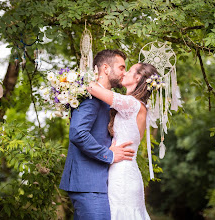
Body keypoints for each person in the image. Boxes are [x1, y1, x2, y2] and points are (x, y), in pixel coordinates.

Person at [59, 49, 135, 220]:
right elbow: (78, 133)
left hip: (96, 182)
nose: (124, 72)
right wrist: (109, 154)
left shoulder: (103, 98)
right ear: (106, 68)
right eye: (122, 67)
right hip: (87, 182)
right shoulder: (90, 97)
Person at [87, 62, 159, 219]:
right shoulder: (138, 106)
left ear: (138, 78)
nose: (125, 73)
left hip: (122, 175)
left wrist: (72, 80)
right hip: (126, 170)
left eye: (130, 70)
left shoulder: (132, 104)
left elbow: (91, 87)